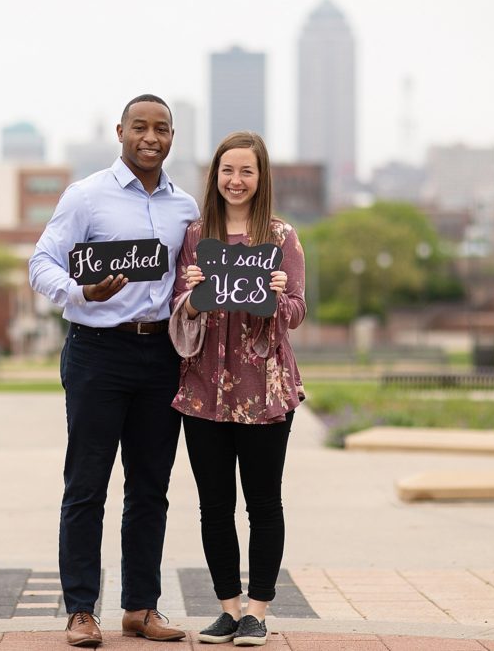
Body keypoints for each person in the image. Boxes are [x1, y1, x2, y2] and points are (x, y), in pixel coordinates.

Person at [29, 94, 199, 648]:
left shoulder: (185, 208)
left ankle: (140, 609)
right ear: (120, 131)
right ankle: (81, 610)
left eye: (163, 129)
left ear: (172, 136)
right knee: (86, 485)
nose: (151, 138)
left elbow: (192, 278)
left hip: (162, 357)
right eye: (140, 128)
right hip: (98, 352)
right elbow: (41, 262)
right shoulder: (86, 196)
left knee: (150, 488)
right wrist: (80, 290)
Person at [168, 131, 306, 647]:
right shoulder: (196, 235)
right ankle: (228, 607)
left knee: (264, 502)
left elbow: (296, 311)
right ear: (215, 175)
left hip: (264, 388)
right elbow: (180, 308)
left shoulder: (281, 237)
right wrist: (194, 298)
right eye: (228, 170)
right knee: (214, 504)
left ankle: (259, 610)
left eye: (247, 171)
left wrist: (275, 297)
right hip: (204, 388)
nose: (236, 180)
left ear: (261, 176)